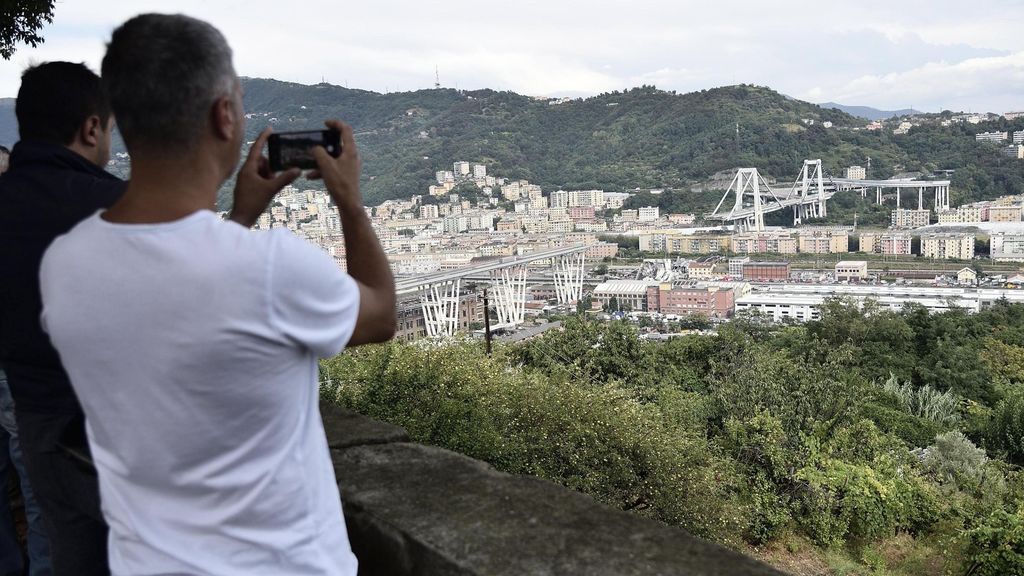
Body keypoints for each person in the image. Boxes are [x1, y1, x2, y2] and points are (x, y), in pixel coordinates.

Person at [39, 13, 396, 575]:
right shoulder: (274, 268)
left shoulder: (64, 263)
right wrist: (349, 200)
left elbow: (177, 291)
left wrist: (242, 214)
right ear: (224, 115)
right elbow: (379, 313)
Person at [0, 62, 123, 576]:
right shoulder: (117, 208)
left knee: (62, 546)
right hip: (116, 429)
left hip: (33, 415)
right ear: (91, 127)